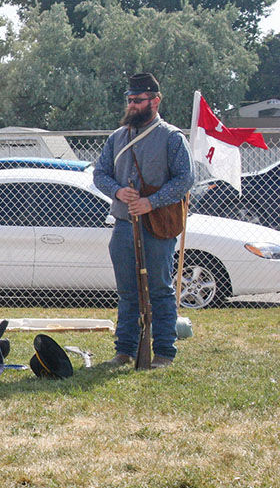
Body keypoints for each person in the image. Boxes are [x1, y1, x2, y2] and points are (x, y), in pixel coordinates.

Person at [93, 73, 194, 369]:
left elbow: (185, 179)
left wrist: (151, 201)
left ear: (155, 100)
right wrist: (117, 191)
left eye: (138, 100)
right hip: (124, 223)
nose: (133, 105)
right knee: (127, 292)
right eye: (130, 100)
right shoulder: (117, 138)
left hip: (157, 225)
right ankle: (125, 350)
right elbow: (100, 174)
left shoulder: (172, 138)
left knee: (160, 290)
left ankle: (163, 351)